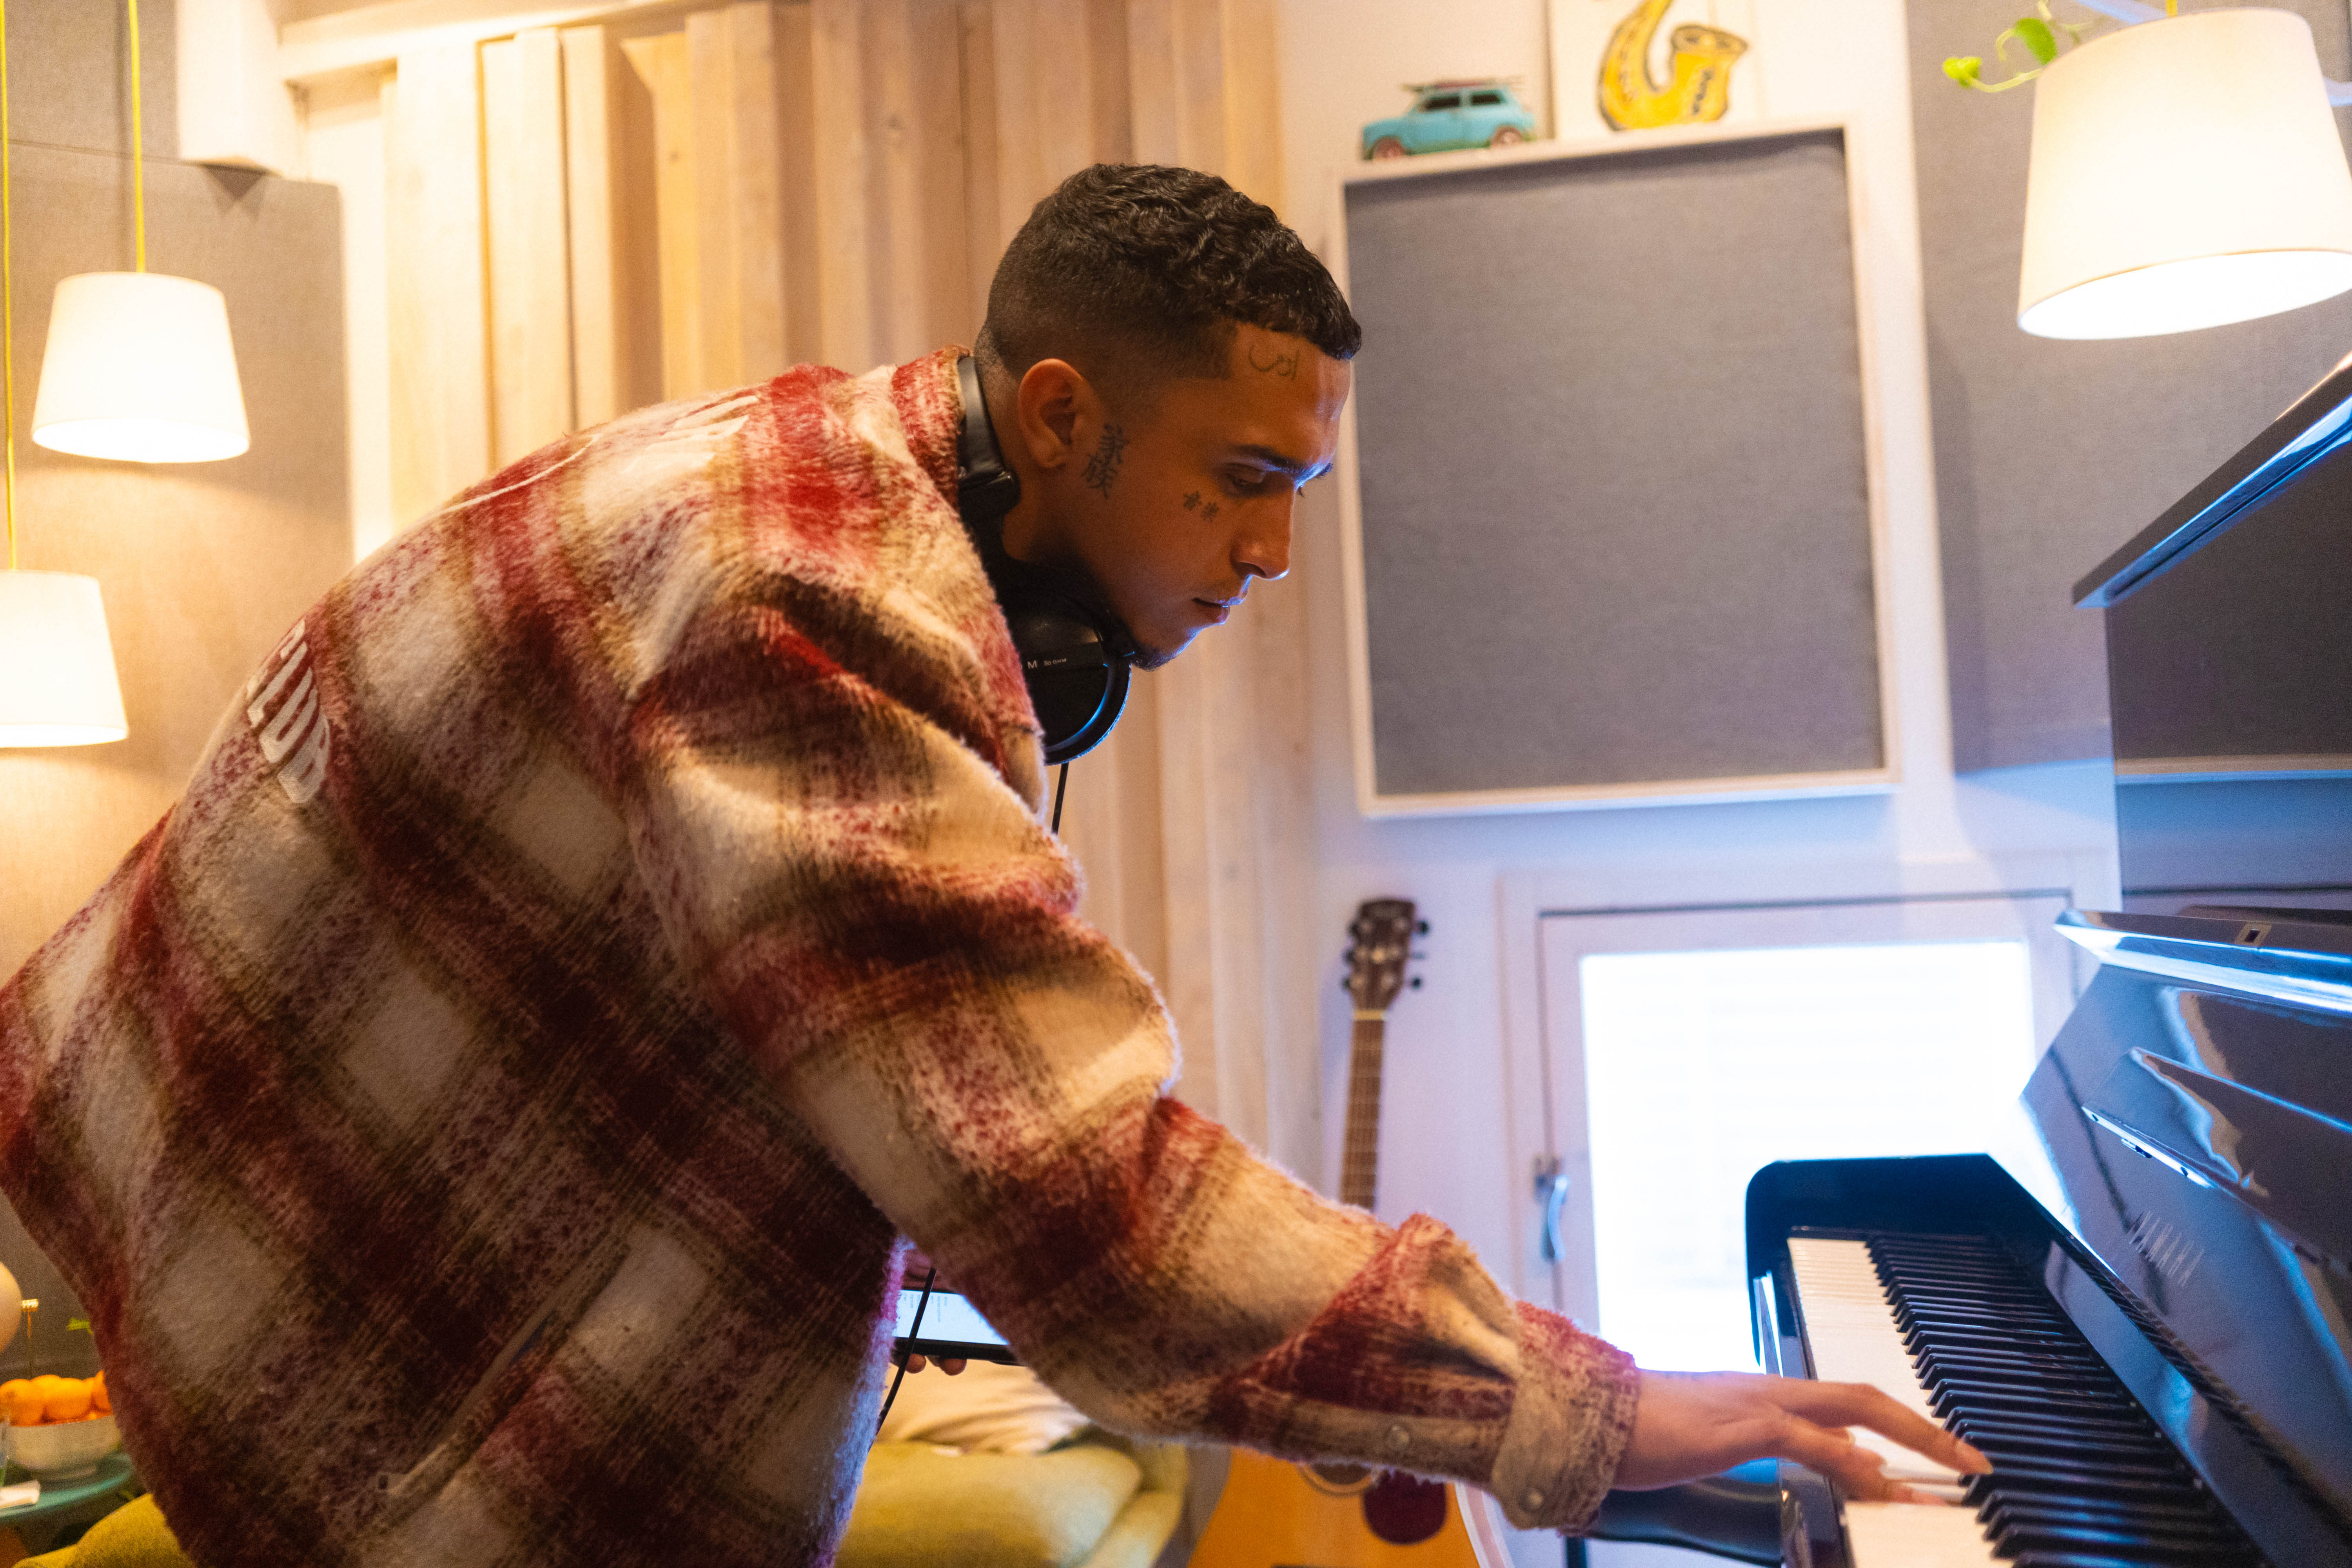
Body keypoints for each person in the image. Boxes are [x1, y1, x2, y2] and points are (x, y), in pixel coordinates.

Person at [0, 164, 1980, 1567]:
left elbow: (884, 1081)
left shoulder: (847, 478)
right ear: (1056, 414)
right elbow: (1085, 1200)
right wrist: (1588, 1411)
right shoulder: (815, 602)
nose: (1274, 557)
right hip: (288, 1284)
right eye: (1246, 483)